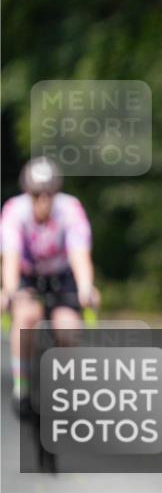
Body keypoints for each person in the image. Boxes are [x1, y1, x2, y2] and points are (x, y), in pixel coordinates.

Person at [1, 157, 100, 418]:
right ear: (27, 193)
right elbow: (10, 258)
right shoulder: (14, 210)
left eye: (49, 194)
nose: (43, 201)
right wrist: (9, 291)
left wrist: (86, 287)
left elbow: (79, 254)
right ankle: (21, 390)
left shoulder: (70, 209)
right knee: (25, 318)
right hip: (28, 276)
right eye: (36, 195)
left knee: (68, 328)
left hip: (61, 274)